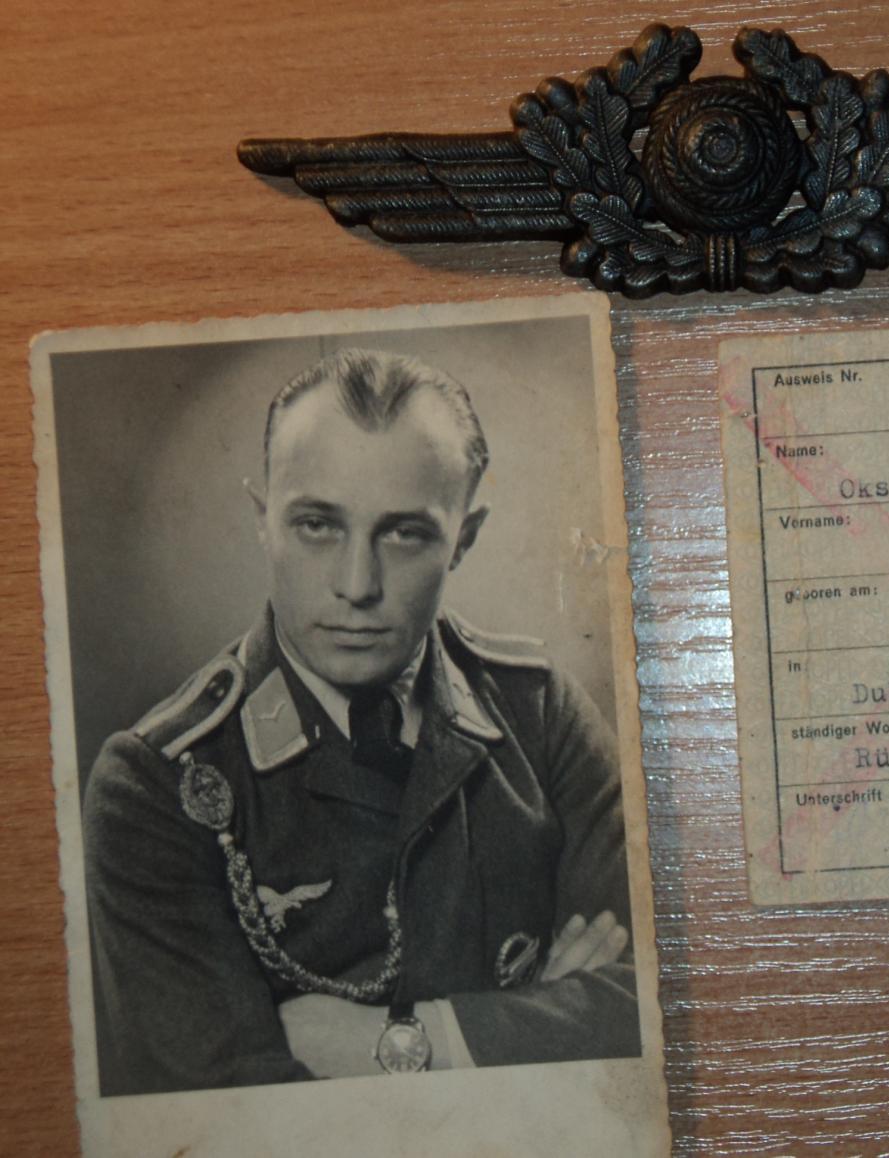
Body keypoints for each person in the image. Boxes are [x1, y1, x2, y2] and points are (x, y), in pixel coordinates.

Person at [83, 349, 640, 1094]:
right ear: (263, 522)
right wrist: (534, 1024)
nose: (356, 586)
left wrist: (405, 1041)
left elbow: (656, 1003)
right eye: (317, 525)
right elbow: (229, 1119)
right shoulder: (156, 783)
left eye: (404, 534)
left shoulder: (542, 716)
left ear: (465, 538)